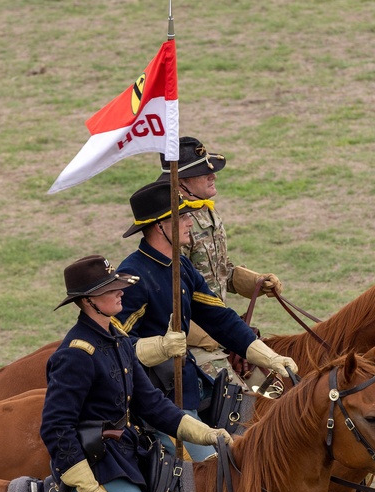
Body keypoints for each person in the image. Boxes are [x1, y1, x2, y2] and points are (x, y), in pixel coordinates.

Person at [40, 254, 233, 492]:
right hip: (98, 467)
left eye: (117, 286)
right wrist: (86, 486)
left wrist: (206, 434)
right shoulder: (76, 354)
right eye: (108, 290)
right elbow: (55, 427)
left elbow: (155, 407)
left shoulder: (119, 340)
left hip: (131, 455)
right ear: (87, 301)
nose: (119, 293)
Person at [114, 179, 298, 460]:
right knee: (216, 474)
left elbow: (219, 317)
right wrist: (160, 348)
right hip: (157, 403)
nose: (191, 222)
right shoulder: (135, 276)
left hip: (191, 388)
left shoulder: (181, 265)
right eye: (184, 216)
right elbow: (115, 347)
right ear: (160, 225)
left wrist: (269, 358)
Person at [158, 136, 284, 379]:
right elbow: (169, 296)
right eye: (203, 173)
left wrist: (256, 282)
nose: (212, 176)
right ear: (182, 182)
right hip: (193, 338)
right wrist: (214, 336)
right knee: (232, 397)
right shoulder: (174, 226)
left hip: (219, 326)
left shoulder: (207, 213)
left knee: (271, 383)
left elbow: (219, 271)